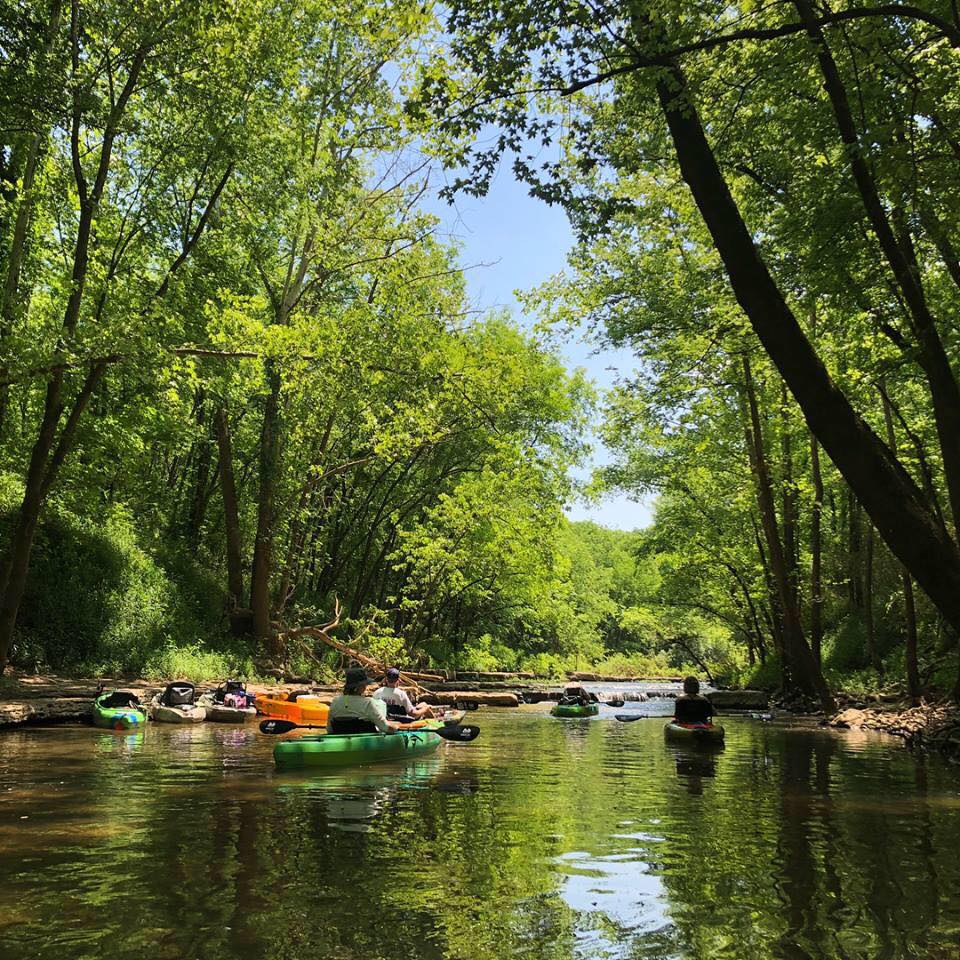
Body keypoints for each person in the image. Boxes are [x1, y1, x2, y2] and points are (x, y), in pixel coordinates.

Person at [327, 666, 399, 734]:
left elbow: (329, 729)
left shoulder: (335, 701)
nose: (365, 687)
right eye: (365, 684)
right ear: (360, 687)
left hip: (339, 740)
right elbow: (385, 728)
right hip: (363, 742)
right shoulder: (367, 703)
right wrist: (396, 727)